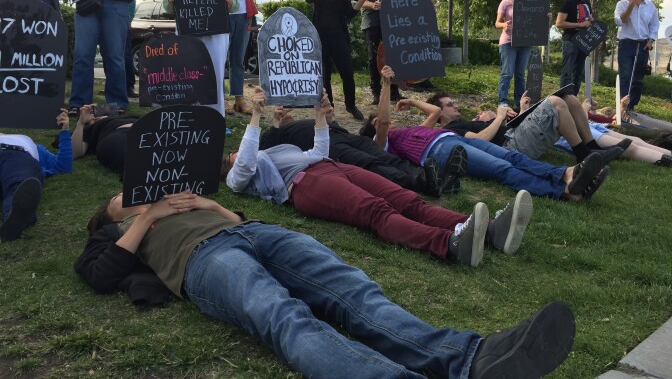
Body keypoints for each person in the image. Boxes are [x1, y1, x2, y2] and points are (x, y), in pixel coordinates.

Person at [75, 191, 575, 378]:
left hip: (247, 232)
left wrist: (207, 206)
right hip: (203, 262)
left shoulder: (189, 202)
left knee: (353, 291)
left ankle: (469, 360)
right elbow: (99, 276)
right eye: (126, 197)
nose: (142, 195)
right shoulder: (116, 231)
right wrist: (147, 215)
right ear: (109, 215)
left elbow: (238, 218)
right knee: (284, 316)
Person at [225, 87, 532, 267]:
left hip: (329, 166)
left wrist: (319, 116)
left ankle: (491, 232)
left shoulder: (270, 148)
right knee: (376, 211)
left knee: (407, 200)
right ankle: (450, 244)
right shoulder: (240, 176)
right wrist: (254, 115)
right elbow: (246, 159)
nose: (237, 154)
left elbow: (318, 151)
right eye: (231, 156)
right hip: (307, 185)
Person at [363, 66, 609, 201]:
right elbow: (383, 121)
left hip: (452, 140)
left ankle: (567, 174)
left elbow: (436, 110)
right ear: (374, 129)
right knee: (502, 169)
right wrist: (387, 86)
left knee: (513, 158)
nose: (389, 122)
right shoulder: (383, 143)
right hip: (441, 150)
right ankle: (563, 191)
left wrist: (411, 101)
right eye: (379, 123)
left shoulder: (412, 131)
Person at [258, 106, 465, 197]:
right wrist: (276, 121)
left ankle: (432, 177)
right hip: (330, 147)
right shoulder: (277, 134)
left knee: (384, 156)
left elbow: (326, 123)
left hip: (343, 134)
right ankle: (418, 183)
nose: (287, 116)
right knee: (369, 163)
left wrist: (328, 115)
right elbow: (264, 150)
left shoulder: (304, 122)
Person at [427, 89, 624, 164]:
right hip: (510, 147)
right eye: (450, 104)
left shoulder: (462, 121)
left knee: (569, 98)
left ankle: (592, 147)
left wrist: (520, 112)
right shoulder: (450, 130)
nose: (456, 106)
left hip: (513, 134)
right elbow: (480, 141)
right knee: (555, 102)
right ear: (439, 113)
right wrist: (499, 117)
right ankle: (583, 154)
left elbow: (495, 131)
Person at [163, 0, 239, 117]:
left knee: (214, 73)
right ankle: (189, 116)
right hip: (187, 31)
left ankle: (214, 117)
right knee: (186, 73)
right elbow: (167, 6)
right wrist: (171, 0)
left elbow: (235, 3)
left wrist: (229, 1)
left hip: (216, 33)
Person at [305, 0, 372, 120]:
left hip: (339, 37)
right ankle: (330, 107)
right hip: (321, 39)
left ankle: (351, 105)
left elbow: (349, 14)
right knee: (325, 75)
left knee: (347, 73)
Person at [0, 110, 72, 241]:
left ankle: (15, 217)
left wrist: (65, 131)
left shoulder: (32, 146)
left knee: (20, 181)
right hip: (17, 160)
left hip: (16, 155)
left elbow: (62, 166)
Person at [212, 0, 258, 115]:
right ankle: (220, 98)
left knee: (238, 58)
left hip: (243, 13)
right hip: (222, 15)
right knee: (220, 57)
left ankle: (239, 98)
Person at [552, 98, 672, 167]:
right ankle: (666, 160)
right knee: (631, 147)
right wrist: (584, 108)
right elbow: (570, 120)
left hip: (590, 126)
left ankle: (668, 154)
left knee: (636, 141)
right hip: (575, 130)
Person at [356, 0, 402, 105]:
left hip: (388, 21)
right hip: (371, 22)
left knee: (392, 56)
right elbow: (358, 1)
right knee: (374, 58)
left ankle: (394, 91)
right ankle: (376, 92)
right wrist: (372, 4)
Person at [614, 0, 660, 110]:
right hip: (627, 43)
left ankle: (632, 105)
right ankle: (622, 106)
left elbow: (654, 25)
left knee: (638, 78)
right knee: (626, 75)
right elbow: (619, 21)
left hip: (643, 45)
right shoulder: (621, 4)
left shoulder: (650, 6)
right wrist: (631, 5)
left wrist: (651, 40)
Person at [71, 104, 140, 177]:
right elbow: (74, 153)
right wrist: (81, 123)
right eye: (91, 113)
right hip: (118, 135)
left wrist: (101, 109)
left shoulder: (125, 116)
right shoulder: (90, 130)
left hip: (143, 128)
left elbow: (115, 109)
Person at [495, 0, 531, 108]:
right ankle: (503, 101)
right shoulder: (505, 3)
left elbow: (536, 22)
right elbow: (497, 23)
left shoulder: (530, 4)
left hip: (525, 43)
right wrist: (503, 25)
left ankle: (519, 103)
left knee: (520, 74)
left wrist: (545, 16)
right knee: (507, 73)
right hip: (508, 42)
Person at [556, 0, 594, 96]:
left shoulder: (587, 3)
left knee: (578, 73)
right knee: (567, 71)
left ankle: (573, 98)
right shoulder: (568, 3)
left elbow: (590, 20)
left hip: (584, 43)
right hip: (570, 41)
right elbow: (559, 23)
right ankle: (564, 99)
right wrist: (580, 24)